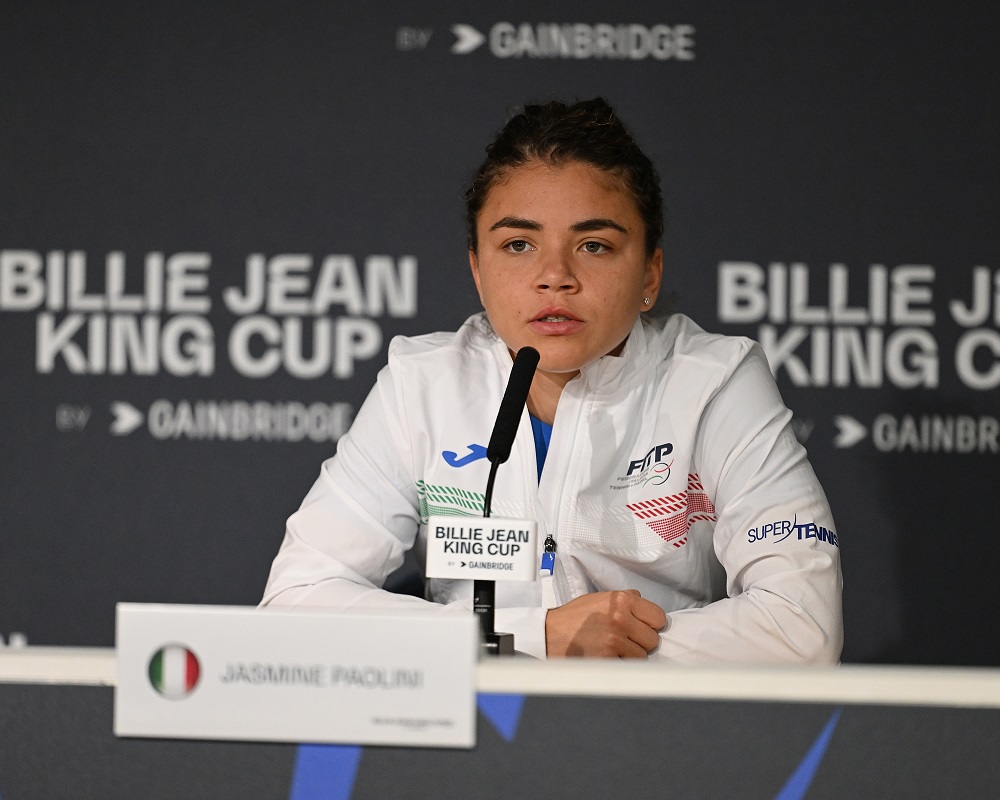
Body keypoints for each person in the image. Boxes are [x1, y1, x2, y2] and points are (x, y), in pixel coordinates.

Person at [261, 98, 843, 663]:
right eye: (518, 245)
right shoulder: (421, 385)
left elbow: (802, 626)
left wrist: (605, 646)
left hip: (658, 720)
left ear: (650, 273)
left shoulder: (714, 382)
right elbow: (295, 602)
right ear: (478, 270)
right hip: (472, 719)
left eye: (594, 245)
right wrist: (533, 637)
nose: (555, 276)